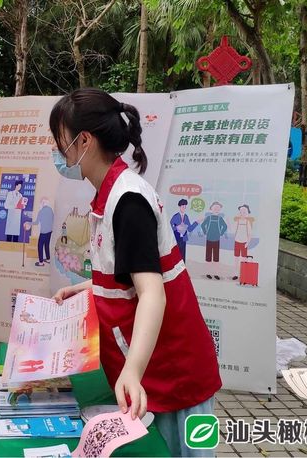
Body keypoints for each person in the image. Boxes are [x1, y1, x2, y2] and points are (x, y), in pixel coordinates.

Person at [49, 88, 220, 457]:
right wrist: (87, 288)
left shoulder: (128, 201)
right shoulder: (110, 195)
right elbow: (125, 273)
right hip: (150, 370)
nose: (58, 151)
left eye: (60, 140)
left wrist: (133, 369)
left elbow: (152, 293)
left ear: (84, 141)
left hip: (174, 371)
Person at [200, 201, 228, 280]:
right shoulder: (208, 218)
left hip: (217, 240)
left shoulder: (220, 218)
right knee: (208, 258)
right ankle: (208, 273)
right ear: (211, 209)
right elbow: (203, 225)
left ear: (220, 210)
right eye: (215, 208)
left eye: (218, 208)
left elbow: (225, 226)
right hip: (208, 239)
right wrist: (205, 232)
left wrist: (221, 233)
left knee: (216, 258)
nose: (216, 209)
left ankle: (215, 273)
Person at [170, 198, 198, 262]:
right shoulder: (175, 216)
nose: (184, 208)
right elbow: (171, 225)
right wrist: (177, 227)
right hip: (176, 237)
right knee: (176, 253)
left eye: (185, 207)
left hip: (183, 238)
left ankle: (183, 265)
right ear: (179, 206)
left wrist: (196, 222)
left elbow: (190, 229)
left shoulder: (186, 217)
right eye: (183, 206)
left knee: (183, 254)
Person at [231, 204, 254, 280]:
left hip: (244, 243)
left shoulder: (247, 222)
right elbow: (233, 230)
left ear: (247, 213)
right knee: (236, 259)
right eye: (241, 212)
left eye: (244, 212)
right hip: (237, 242)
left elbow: (250, 234)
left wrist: (247, 243)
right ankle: (235, 274)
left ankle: (243, 274)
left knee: (244, 259)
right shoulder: (237, 222)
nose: (242, 213)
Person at [31, 197, 54, 266]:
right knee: (47, 244)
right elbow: (53, 219)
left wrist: (29, 223)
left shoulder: (41, 212)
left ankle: (41, 262)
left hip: (43, 232)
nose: (40, 204)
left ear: (43, 203)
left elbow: (36, 223)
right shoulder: (50, 210)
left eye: (41, 202)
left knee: (40, 246)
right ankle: (48, 259)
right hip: (49, 231)